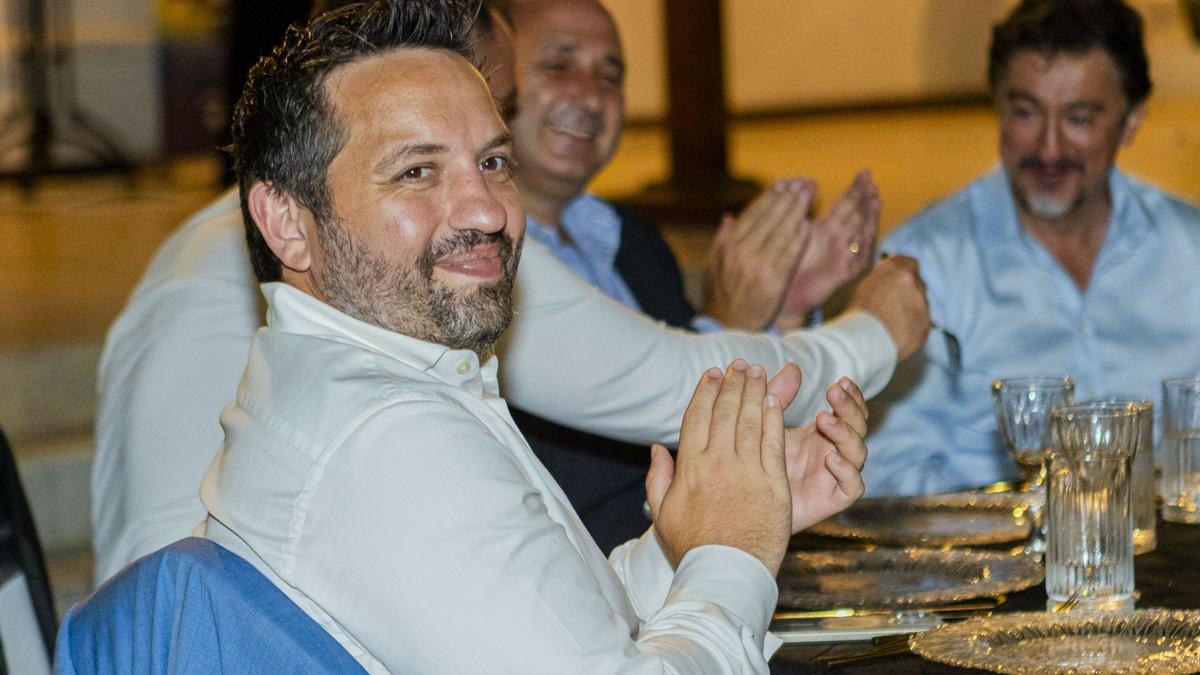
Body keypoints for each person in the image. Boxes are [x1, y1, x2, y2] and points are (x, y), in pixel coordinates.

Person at [91, 0, 928, 581]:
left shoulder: (264, 228)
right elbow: (674, 385)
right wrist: (876, 331)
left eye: (493, 130)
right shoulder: (388, 244)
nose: (488, 193)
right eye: (496, 95)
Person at [499, 0, 927, 550]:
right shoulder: (484, 260)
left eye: (611, 75)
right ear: (491, 81)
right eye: (559, 66)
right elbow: (663, 405)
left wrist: (783, 309)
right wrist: (873, 330)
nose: (590, 96)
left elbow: (694, 414)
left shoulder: (634, 240)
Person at [863, 0, 1200, 496]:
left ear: (1131, 122)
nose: (1048, 149)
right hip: (985, 538)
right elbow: (887, 477)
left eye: (1079, 118)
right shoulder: (924, 262)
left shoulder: (1190, 247)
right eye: (1025, 113)